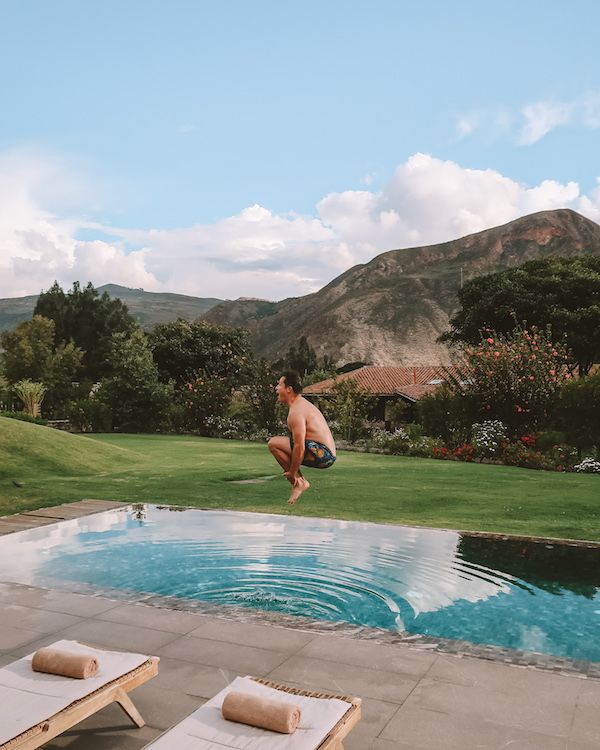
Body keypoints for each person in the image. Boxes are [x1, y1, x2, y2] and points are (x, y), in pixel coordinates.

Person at [268, 371, 336, 505]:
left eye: (279, 385)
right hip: (324, 453)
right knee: (278, 443)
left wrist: (292, 473)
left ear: (289, 389)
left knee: (274, 444)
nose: (276, 388)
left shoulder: (297, 412)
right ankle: (299, 482)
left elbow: (299, 447)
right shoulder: (299, 405)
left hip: (323, 454)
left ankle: (299, 483)